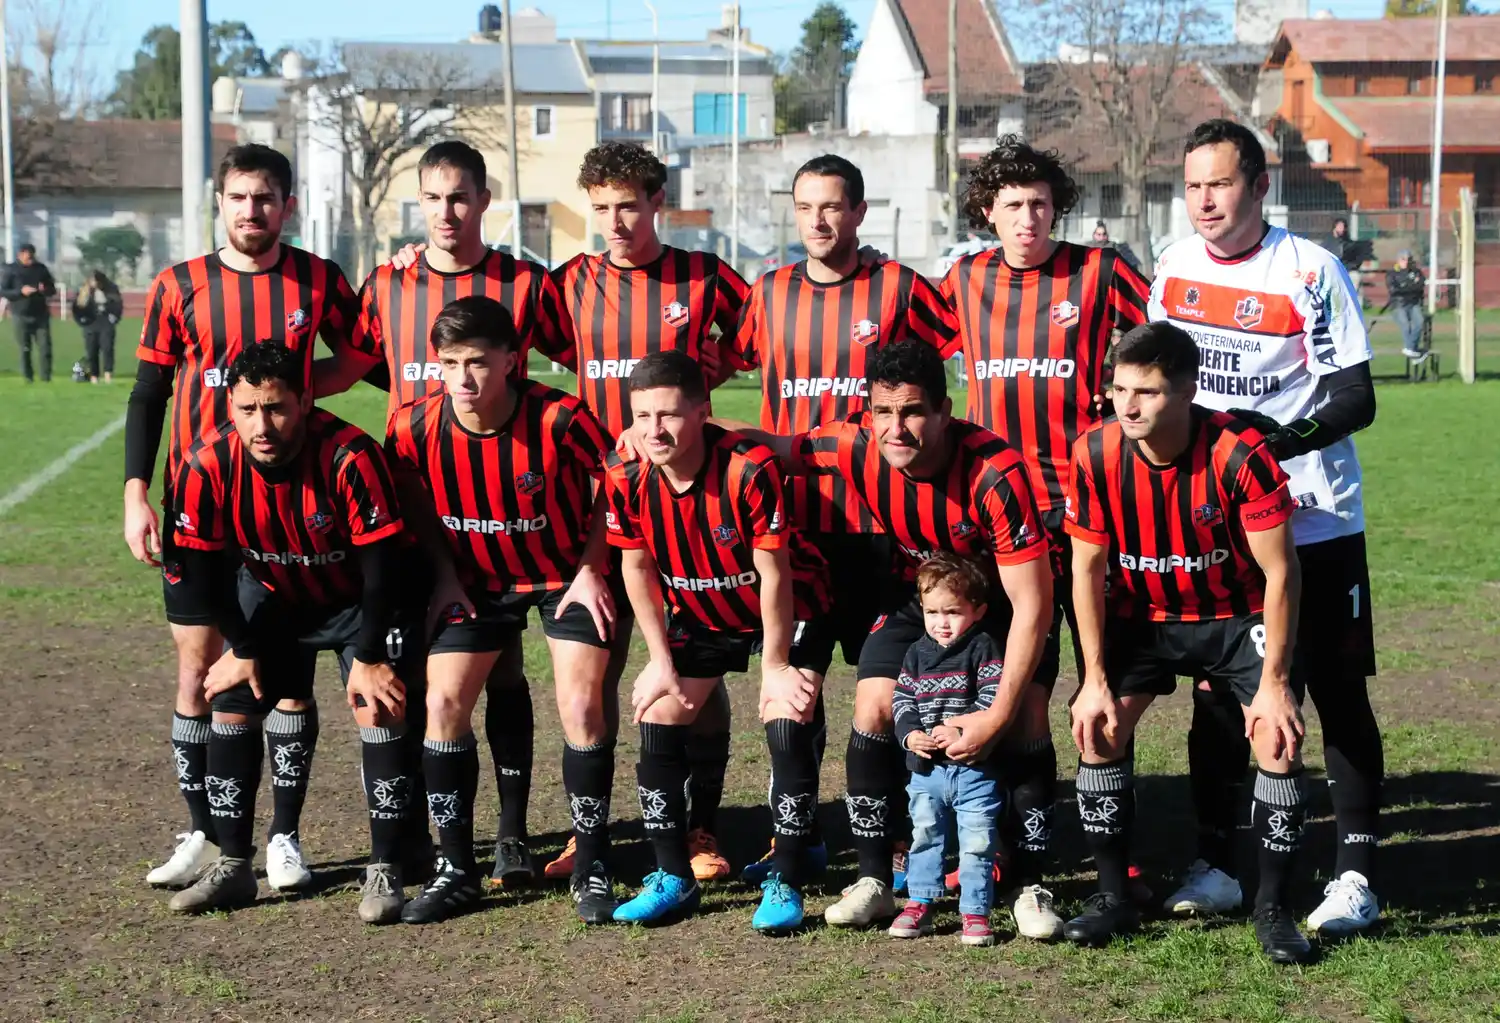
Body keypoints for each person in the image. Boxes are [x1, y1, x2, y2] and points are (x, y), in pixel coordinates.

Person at [1149, 118, 1382, 937]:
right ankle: (1215, 864)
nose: (1204, 200)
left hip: (1313, 520)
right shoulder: (1173, 266)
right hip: (1218, 529)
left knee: (1334, 692)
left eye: (1219, 183)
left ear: (1259, 187)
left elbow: (1357, 396)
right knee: (1219, 697)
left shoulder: (1310, 270)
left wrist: (1269, 442)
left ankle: (1356, 873)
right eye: (1193, 185)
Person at [125, 143, 374, 894]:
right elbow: (148, 396)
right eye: (238, 197)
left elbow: (361, 355)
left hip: (286, 514)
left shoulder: (317, 279)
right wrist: (138, 491)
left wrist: (300, 389)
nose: (250, 210)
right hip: (197, 508)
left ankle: (285, 838)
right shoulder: (180, 286)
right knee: (200, 670)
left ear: (286, 205)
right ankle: (205, 827)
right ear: (220, 202)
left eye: (264, 198)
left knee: (286, 672)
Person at [336, 140, 578, 888]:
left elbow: (581, 356)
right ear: (419, 200)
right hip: (420, 506)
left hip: (513, 510)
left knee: (500, 668)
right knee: (421, 671)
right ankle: (417, 835)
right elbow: (354, 365)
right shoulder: (388, 281)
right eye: (434, 198)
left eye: (460, 197)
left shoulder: (525, 282)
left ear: (484, 198)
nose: (447, 212)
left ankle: (505, 835)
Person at [751, 339, 1053, 929]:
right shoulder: (853, 445)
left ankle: (1029, 884)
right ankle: (874, 878)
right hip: (918, 601)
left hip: (1000, 606)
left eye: (912, 411)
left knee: (1028, 715)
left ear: (944, 410)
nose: (897, 428)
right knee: (875, 707)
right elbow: (772, 446)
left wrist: (994, 716)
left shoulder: (996, 474)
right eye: (883, 412)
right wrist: (685, 426)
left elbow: (1033, 606)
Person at [726, 153, 960, 888]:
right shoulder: (767, 293)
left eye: (832, 206)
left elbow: (965, 350)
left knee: (889, 693)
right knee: (795, 687)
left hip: (884, 530)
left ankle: (894, 832)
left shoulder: (898, 287)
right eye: (805, 207)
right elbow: (707, 368)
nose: (818, 220)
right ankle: (794, 836)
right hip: (794, 529)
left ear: (859, 212)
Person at [938, 135, 1150, 939]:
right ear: (986, 211)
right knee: (1008, 687)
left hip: (1090, 516)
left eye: (1039, 203)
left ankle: (1111, 842)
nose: (1026, 218)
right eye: (1010, 205)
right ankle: (1003, 848)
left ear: (1058, 207)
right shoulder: (961, 281)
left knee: (1108, 683)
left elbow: (1157, 349)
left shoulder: (1099, 273)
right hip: (993, 520)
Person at [1063, 321, 1311, 964]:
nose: (1128, 405)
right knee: (1098, 727)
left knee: (1275, 739)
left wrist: (1277, 683)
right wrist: (1092, 679)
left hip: (1236, 616)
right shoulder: (1094, 453)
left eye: (1145, 392)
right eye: (1119, 389)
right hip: (1144, 615)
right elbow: (1085, 571)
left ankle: (1273, 909)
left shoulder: (1238, 454)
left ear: (1187, 391)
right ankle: (1115, 896)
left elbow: (1282, 572)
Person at [163, 341, 429, 923]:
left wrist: (368, 656)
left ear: (305, 400)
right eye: (248, 409)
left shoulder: (349, 455)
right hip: (273, 597)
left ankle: (386, 868)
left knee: (377, 705)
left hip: (360, 599)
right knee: (233, 699)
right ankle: (234, 866)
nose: (263, 424)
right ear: (229, 406)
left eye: (277, 408)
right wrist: (246, 649)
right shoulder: (207, 463)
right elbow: (204, 575)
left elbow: (384, 569)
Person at [548, 141, 752, 884]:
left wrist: (693, 393)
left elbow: (751, 338)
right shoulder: (567, 283)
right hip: (594, 518)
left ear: (656, 202)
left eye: (628, 204)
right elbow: (501, 335)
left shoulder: (702, 278)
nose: (614, 220)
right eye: (600, 207)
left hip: (687, 514)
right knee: (589, 681)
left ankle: (702, 824)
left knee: (700, 677)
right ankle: (589, 832)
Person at [386, 295, 623, 925]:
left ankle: (593, 863)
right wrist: (442, 578)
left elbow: (616, 481)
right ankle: (456, 869)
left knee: (579, 703)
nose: (463, 379)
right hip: (473, 583)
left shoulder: (561, 418)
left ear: (513, 361)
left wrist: (591, 568)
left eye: (478, 363)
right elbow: (413, 504)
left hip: (560, 577)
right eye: (450, 363)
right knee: (442, 704)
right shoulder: (413, 427)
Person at [602, 350, 835, 932]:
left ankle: (786, 873)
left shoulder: (747, 467)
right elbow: (635, 569)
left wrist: (776, 664)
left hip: (789, 605)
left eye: (670, 415)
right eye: (642, 416)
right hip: (703, 611)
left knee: (786, 714)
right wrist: (659, 662)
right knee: (658, 711)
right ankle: (672, 876)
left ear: (703, 412)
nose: (654, 430)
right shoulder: (624, 473)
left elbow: (775, 571)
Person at [888, 553, 1013, 948]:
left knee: (977, 841)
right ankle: (920, 902)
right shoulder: (915, 653)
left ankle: (975, 911)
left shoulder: (983, 647)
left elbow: (994, 697)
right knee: (924, 834)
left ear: (977, 611)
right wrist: (909, 736)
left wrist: (959, 725)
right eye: (932, 612)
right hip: (925, 770)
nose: (942, 622)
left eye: (953, 612)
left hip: (974, 768)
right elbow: (902, 700)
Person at [2, 243, 56, 382]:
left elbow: (52, 289)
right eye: (27, 254)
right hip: (20, 314)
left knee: (45, 348)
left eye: (32, 254)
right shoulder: (11, 270)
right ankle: (28, 377)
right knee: (25, 348)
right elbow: (3, 291)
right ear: (20, 254)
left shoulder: (41, 269)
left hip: (40, 314)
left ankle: (46, 377)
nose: (30, 257)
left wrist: (45, 290)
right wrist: (20, 292)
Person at [73, 270, 124, 383]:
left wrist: (114, 318)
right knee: (91, 350)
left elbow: (118, 305)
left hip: (106, 322)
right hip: (90, 323)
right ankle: (94, 376)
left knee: (107, 348)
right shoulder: (84, 290)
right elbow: (77, 307)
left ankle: (107, 375)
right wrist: (81, 320)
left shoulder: (111, 289)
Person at [1384, 250, 1428, 358]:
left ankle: (1410, 348)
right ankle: (1412, 351)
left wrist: (1405, 287)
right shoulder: (1392, 273)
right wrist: (1411, 286)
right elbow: (1394, 290)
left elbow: (1421, 285)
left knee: (1420, 323)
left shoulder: (1416, 272)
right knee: (1406, 326)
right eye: (1403, 259)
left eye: (1409, 259)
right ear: (1398, 260)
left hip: (1414, 303)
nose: (1406, 262)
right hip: (1399, 304)